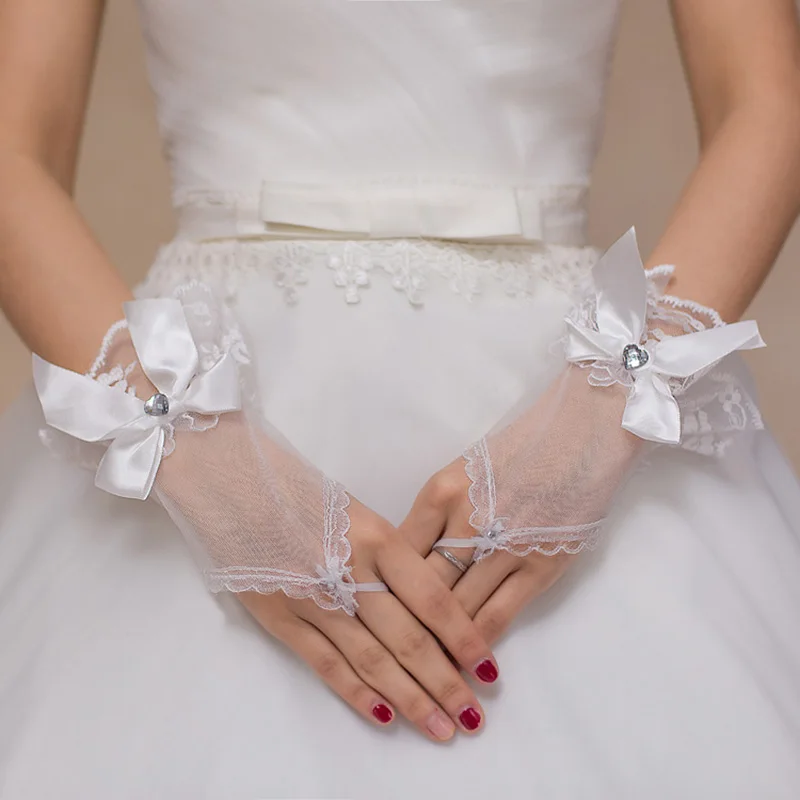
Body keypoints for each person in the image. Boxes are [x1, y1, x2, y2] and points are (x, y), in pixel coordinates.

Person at [1, 1, 799, 798]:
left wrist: (608, 405)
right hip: (199, 403)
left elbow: (765, 103)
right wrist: (194, 453)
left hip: (569, 411)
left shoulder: (590, 423)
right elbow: (13, 149)